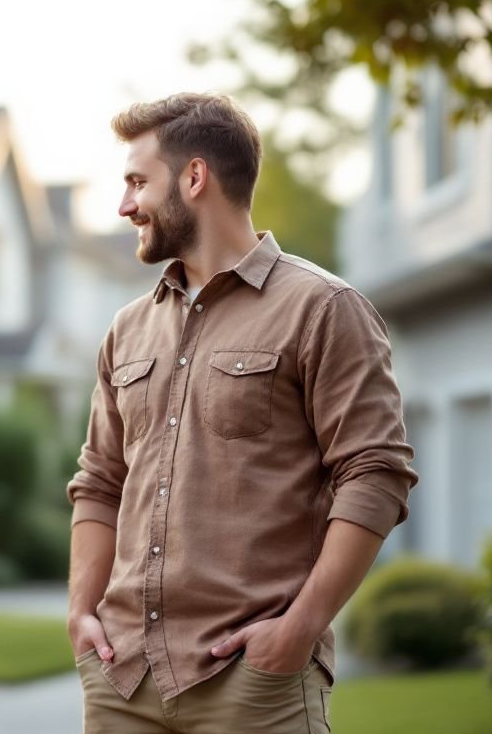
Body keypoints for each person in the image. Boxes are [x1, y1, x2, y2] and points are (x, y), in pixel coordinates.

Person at [66, 93, 417, 733]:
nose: (124, 206)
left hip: (252, 687)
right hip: (122, 679)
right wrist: (80, 612)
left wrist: (300, 629)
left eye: (138, 182)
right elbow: (99, 481)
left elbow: (375, 475)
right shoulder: (127, 329)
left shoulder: (324, 309)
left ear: (194, 178)